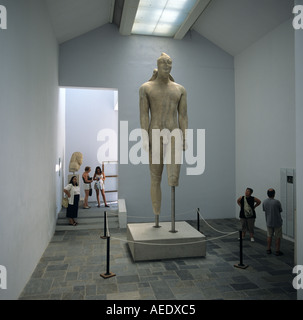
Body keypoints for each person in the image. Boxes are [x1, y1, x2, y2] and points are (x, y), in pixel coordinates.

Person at [139, 53, 188, 225]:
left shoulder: (179, 89)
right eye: (163, 63)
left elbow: (182, 116)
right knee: (155, 177)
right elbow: (144, 115)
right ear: (158, 65)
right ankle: (157, 214)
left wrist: (185, 137)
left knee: (173, 179)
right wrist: (144, 137)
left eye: (170, 63)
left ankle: (169, 220)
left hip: (174, 134)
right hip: (155, 134)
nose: (167, 66)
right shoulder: (146, 88)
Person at [262, 188, 283, 256]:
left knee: (269, 236)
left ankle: (268, 249)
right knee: (278, 237)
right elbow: (280, 210)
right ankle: (277, 250)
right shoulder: (277, 202)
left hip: (269, 221)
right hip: (277, 222)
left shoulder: (264, 202)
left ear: (267, 194)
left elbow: (264, 210)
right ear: (274, 194)